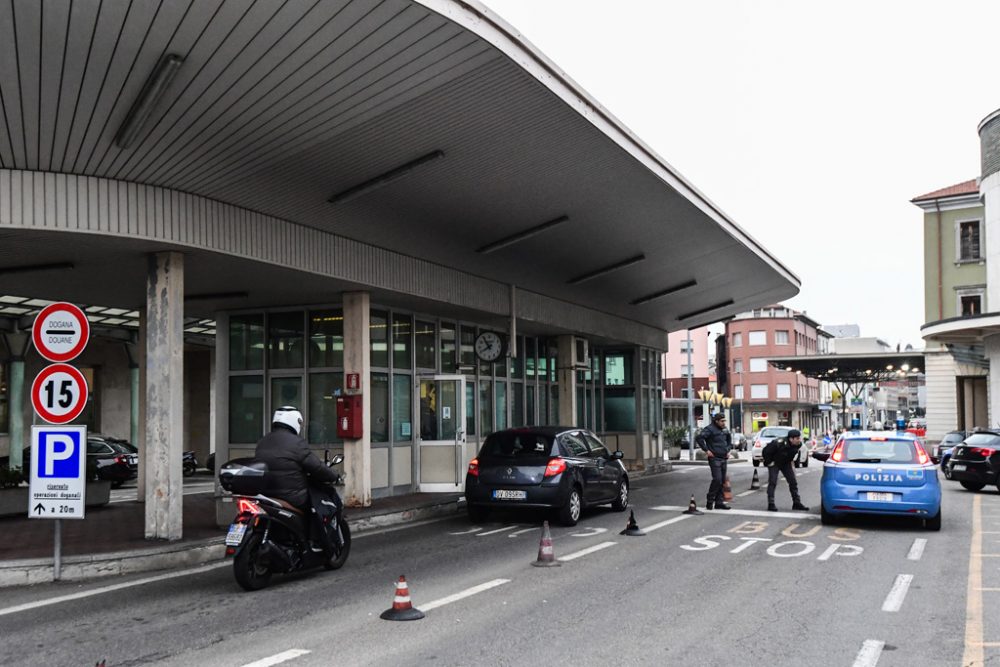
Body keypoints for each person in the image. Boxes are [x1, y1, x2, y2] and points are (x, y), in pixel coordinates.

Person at [254, 406, 343, 550]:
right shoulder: (297, 443)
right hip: (291, 495)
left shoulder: (263, 441)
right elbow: (317, 467)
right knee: (318, 506)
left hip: (266, 494)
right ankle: (314, 542)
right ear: (295, 422)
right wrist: (334, 476)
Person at [762, 429, 809, 512]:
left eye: (799, 438)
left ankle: (796, 503)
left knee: (793, 482)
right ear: (791, 439)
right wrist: (769, 462)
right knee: (772, 482)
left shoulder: (798, 445)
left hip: (786, 463)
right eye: (797, 438)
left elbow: (793, 455)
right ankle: (771, 503)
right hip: (775, 463)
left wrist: (792, 466)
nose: (799, 440)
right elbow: (766, 451)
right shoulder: (778, 443)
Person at [696, 412, 732, 510]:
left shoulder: (725, 429)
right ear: (716, 421)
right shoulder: (709, 429)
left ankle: (719, 502)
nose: (724, 423)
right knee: (717, 479)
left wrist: (728, 450)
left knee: (722, 481)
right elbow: (699, 438)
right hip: (714, 458)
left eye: (724, 421)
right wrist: (706, 450)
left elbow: (729, 439)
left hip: (724, 457)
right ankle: (710, 500)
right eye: (722, 421)